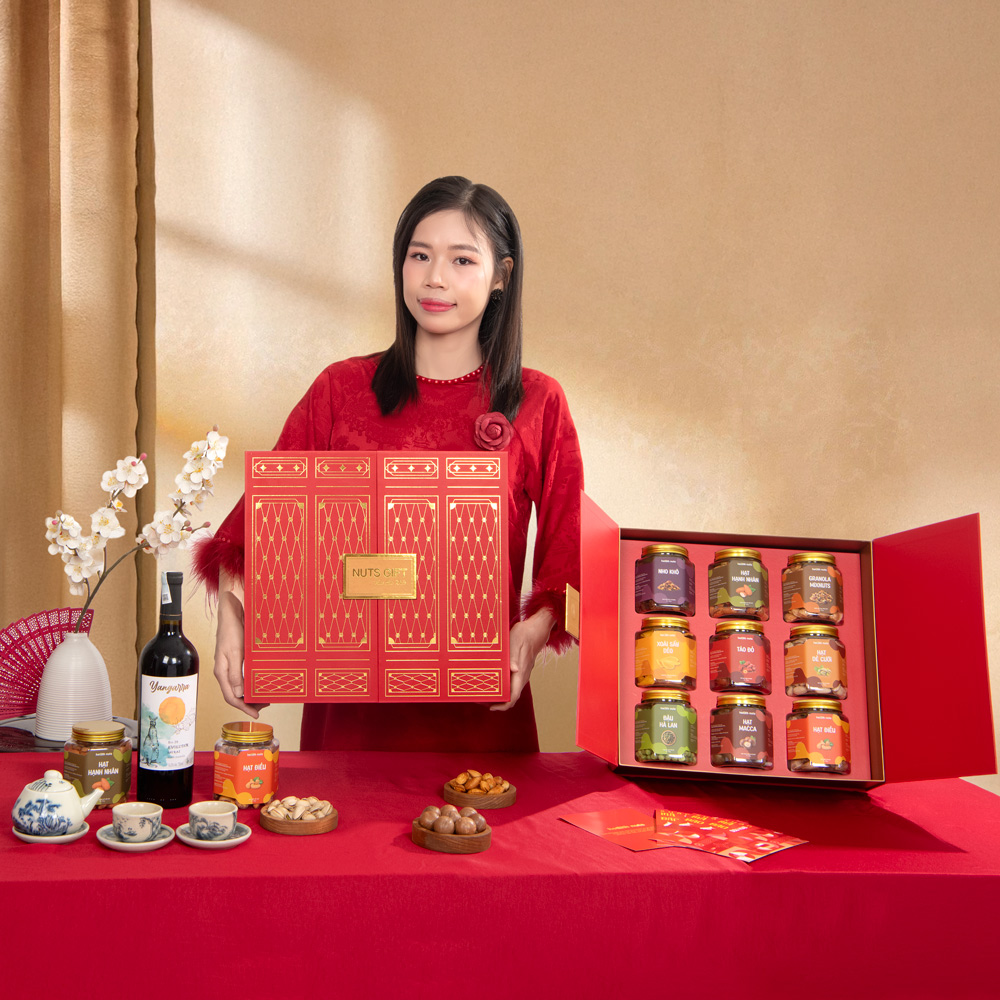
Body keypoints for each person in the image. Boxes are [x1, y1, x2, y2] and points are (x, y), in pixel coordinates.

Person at [194, 176, 582, 751]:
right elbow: (255, 527)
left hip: (481, 720)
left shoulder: (538, 401)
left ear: (501, 274)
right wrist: (232, 615)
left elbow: (569, 552)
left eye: (462, 260)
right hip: (348, 722)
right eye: (419, 255)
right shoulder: (341, 389)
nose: (435, 278)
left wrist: (535, 628)